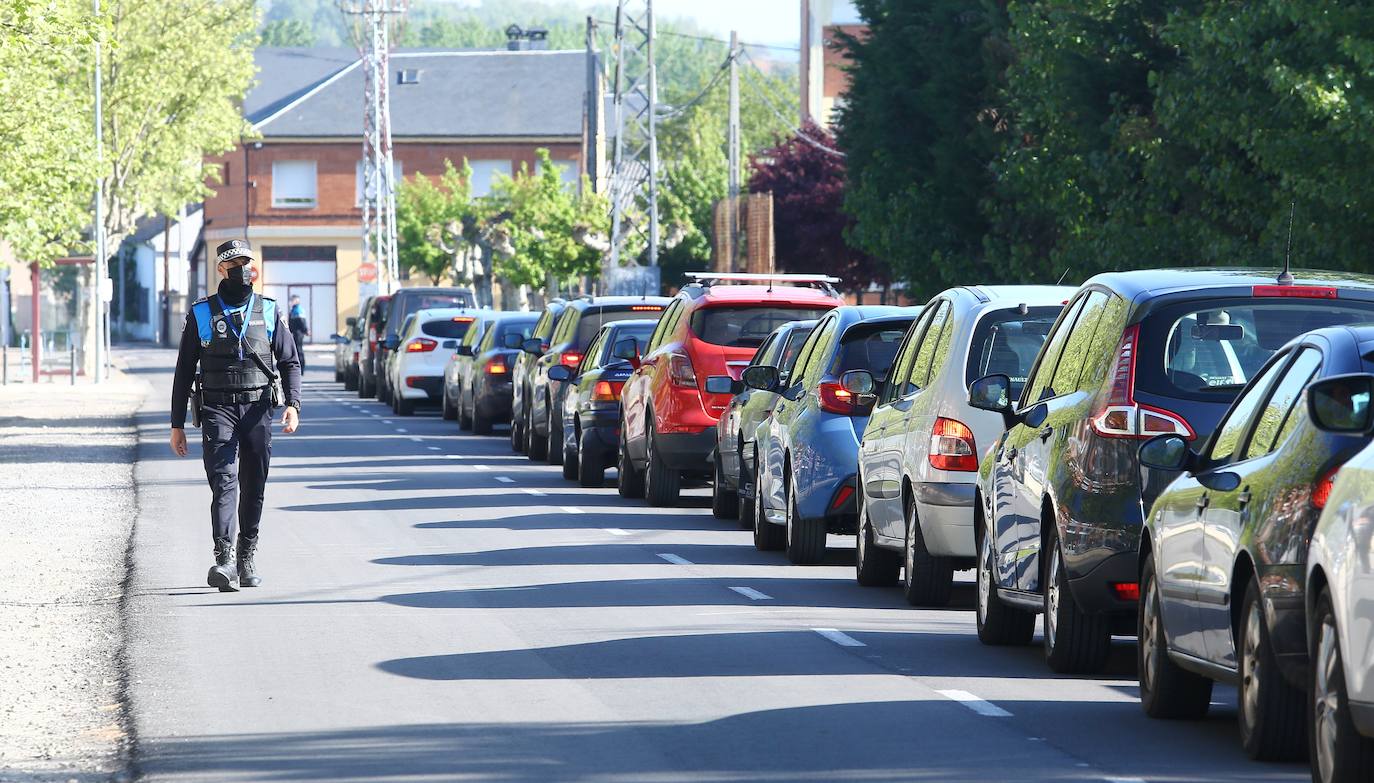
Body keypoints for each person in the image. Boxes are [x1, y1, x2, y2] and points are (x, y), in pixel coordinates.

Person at [169, 239, 302, 592]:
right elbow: (184, 370)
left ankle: (247, 554)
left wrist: (293, 404)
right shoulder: (201, 313)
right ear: (220, 270)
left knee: (254, 484)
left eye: (246, 262)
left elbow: (289, 362)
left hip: (258, 408)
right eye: (234, 264)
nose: (242, 269)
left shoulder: (270, 311)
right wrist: (176, 425)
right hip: (217, 408)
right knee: (224, 480)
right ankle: (224, 558)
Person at [288, 294, 310, 371]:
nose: (291, 302)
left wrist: (306, 330)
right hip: (295, 332)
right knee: (296, 349)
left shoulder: (298, 310)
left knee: (299, 349)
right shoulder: (294, 309)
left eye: (292, 300)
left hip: (298, 333)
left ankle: (301, 367)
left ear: (297, 301)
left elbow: (302, 322)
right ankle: (299, 366)